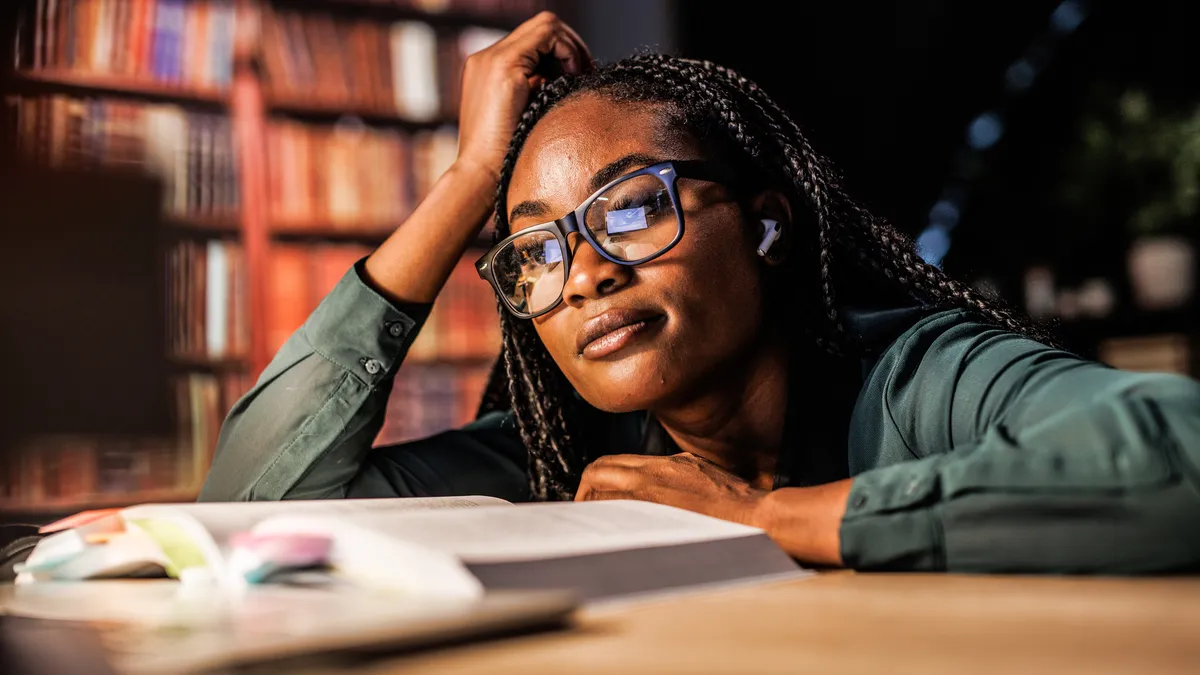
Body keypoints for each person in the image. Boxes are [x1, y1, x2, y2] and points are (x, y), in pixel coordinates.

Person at [200, 12, 1200, 573]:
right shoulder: (561, 462)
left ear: (767, 223)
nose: (585, 271)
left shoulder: (919, 381)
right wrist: (466, 185)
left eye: (632, 211)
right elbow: (242, 508)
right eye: (534, 254)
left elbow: (1181, 454)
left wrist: (778, 516)